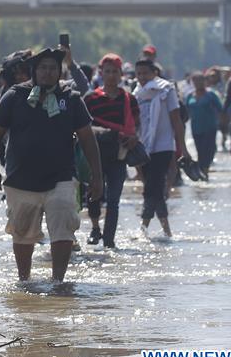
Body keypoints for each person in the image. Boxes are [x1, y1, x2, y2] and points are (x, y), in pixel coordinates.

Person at [0, 47, 101, 282]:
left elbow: (88, 138)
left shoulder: (71, 98)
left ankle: (58, 281)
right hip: (20, 178)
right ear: (34, 71)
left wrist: (98, 177)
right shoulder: (15, 96)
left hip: (61, 178)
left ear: (59, 72)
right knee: (23, 233)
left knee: (64, 228)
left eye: (53, 68)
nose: (48, 73)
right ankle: (24, 280)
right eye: (43, 68)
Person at [84, 54, 141, 248]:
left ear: (121, 74)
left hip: (119, 155)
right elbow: (83, 127)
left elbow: (137, 125)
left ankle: (109, 240)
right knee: (94, 195)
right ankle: (94, 228)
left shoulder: (129, 99)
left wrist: (134, 137)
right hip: (94, 155)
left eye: (115, 72)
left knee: (114, 200)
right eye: (107, 72)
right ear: (101, 74)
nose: (111, 76)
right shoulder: (90, 99)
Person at [134, 58, 188, 237]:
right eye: (139, 73)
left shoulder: (166, 90)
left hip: (163, 147)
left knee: (151, 188)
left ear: (154, 73)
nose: (142, 77)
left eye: (145, 73)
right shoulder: (137, 93)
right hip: (144, 147)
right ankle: (166, 232)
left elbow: (176, 120)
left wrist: (183, 148)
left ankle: (144, 229)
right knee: (155, 190)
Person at [185, 73, 223, 176]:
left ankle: (205, 170)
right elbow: (185, 112)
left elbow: (220, 109)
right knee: (199, 150)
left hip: (210, 127)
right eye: (196, 81)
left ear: (204, 81)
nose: (198, 83)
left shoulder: (211, 95)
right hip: (196, 128)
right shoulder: (189, 96)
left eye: (200, 80)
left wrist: (222, 123)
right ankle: (202, 171)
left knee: (209, 150)